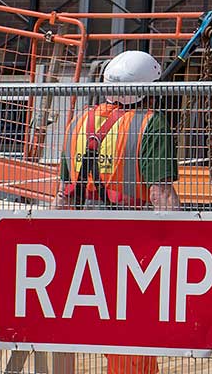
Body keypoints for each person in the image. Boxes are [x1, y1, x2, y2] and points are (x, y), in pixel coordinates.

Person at [55, 49, 179, 374]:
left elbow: (64, 195)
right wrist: (180, 246)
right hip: (132, 243)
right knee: (134, 332)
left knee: (101, 328)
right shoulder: (151, 124)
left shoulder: (78, 123)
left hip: (84, 243)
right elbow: (161, 194)